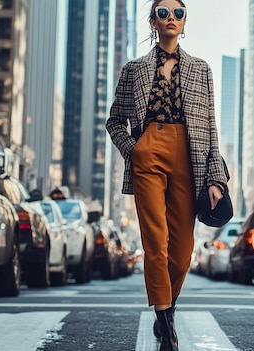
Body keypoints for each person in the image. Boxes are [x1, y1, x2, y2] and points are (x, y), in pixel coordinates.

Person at [106, 1, 228, 350]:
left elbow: (211, 127)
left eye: (177, 13)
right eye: (163, 13)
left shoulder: (201, 69)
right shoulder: (134, 69)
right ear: (152, 21)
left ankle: (167, 306)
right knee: (154, 241)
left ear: (184, 21)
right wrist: (134, 149)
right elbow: (115, 121)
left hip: (189, 157)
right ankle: (165, 322)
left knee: (184, 249)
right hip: (149, 151)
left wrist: (216, 178)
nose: (170, 18)